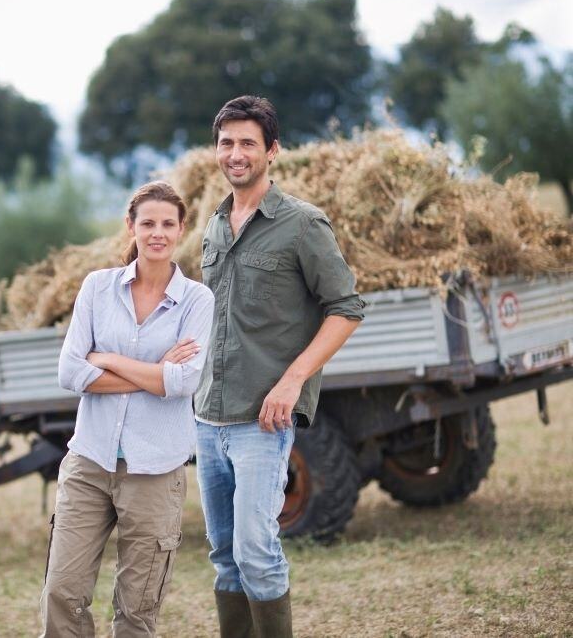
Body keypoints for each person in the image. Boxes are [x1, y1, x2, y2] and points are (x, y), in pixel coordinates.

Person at [195, 96, 365, 637]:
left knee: (256, 552)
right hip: (207, 421)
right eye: (227, 143)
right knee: (224, 555)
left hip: (261, 423)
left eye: (248, 143)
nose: (236, 154)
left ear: (273, 151)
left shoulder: (302, 225)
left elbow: (346, 308)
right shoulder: (214, 226)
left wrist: (293, 382)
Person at [41, 181, 215, 637]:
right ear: (131, 227)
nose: (157, 233)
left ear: (181, 229)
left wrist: (111, 360)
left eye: (167, 224)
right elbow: (70, 373)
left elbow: (183, 382)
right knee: (62, 590)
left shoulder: (197, 300)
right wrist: (153, 372)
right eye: (148, 223)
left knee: (138, 607)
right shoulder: (97, 288)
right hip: (90, 462)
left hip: (155, 471)